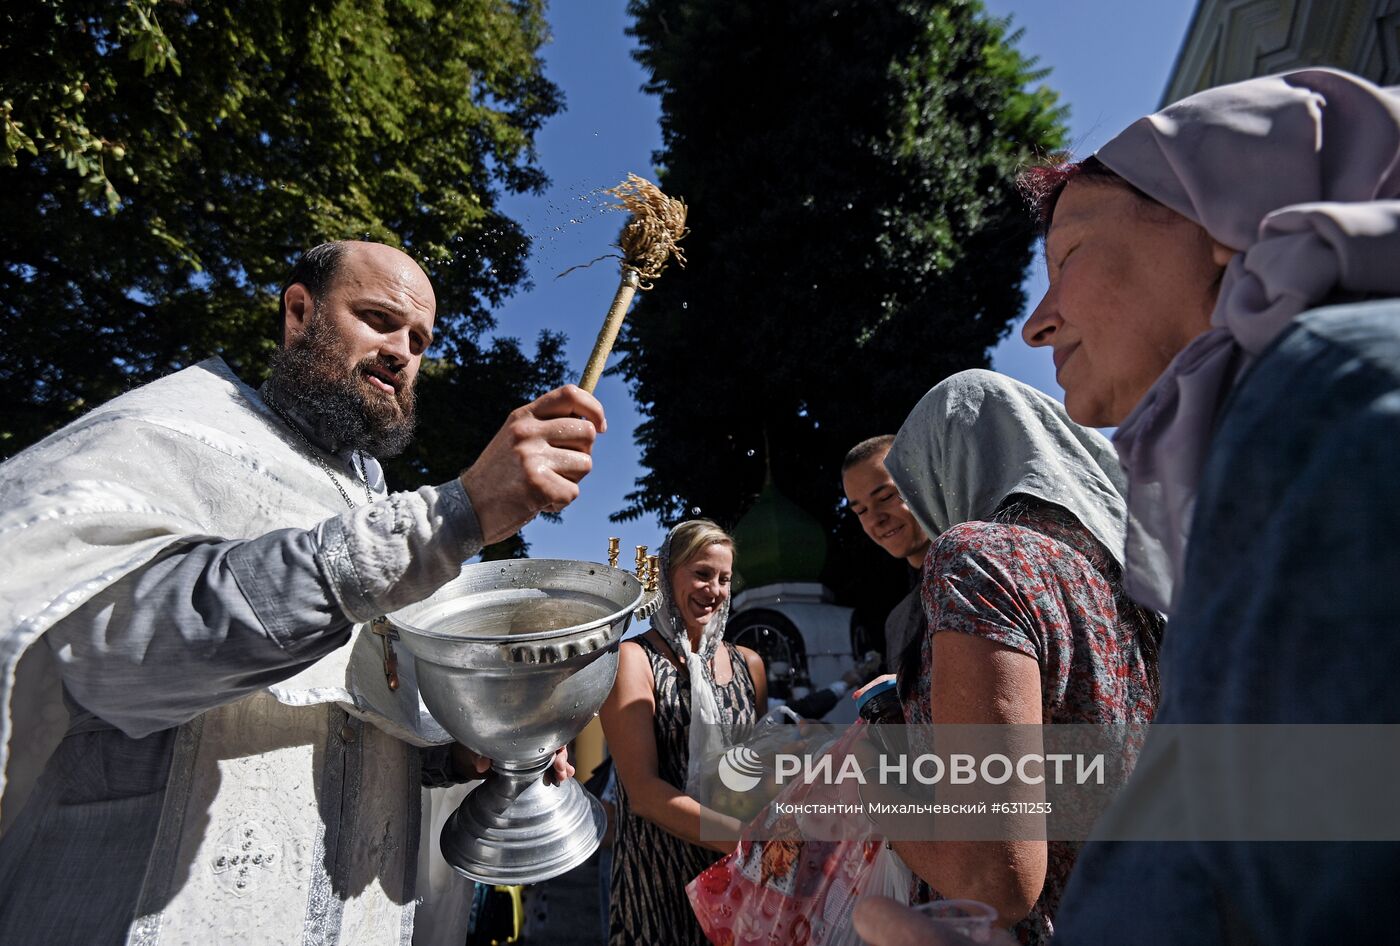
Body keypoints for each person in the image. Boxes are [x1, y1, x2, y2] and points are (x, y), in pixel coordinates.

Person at [857, 67, 1400, 946]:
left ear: (1228, 226)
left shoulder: (1324, 399)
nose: (1038, 324)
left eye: (1068, 257)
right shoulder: (1222, 484)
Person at [0, 240, 600, 944]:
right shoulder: (175, 435)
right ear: (298, 311)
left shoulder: (372, 500)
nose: (401, 352)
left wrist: (456, 751)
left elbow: (357, 710)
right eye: (378, 319)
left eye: (419, 340)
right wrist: (450, 517)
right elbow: (121, 649)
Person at [879, 369, 1163, 944]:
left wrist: (865, 786)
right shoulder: (1130, 581)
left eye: (915, 483)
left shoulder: (977, 560)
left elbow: (992, 881)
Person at [599, 520, 768, 945]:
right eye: (701, 573)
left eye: (724, 578)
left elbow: (757, 768)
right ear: (667, 573)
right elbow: (642, 791)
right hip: (661, 873)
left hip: (739, 876)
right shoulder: (635, 659)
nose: (714, 589)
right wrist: (748, 843)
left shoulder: (749, 664)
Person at [842, 434, 933, 669]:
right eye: (861, 511)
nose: (876, 519)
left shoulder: (979, 578)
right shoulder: (897, 623)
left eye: (886, 497)